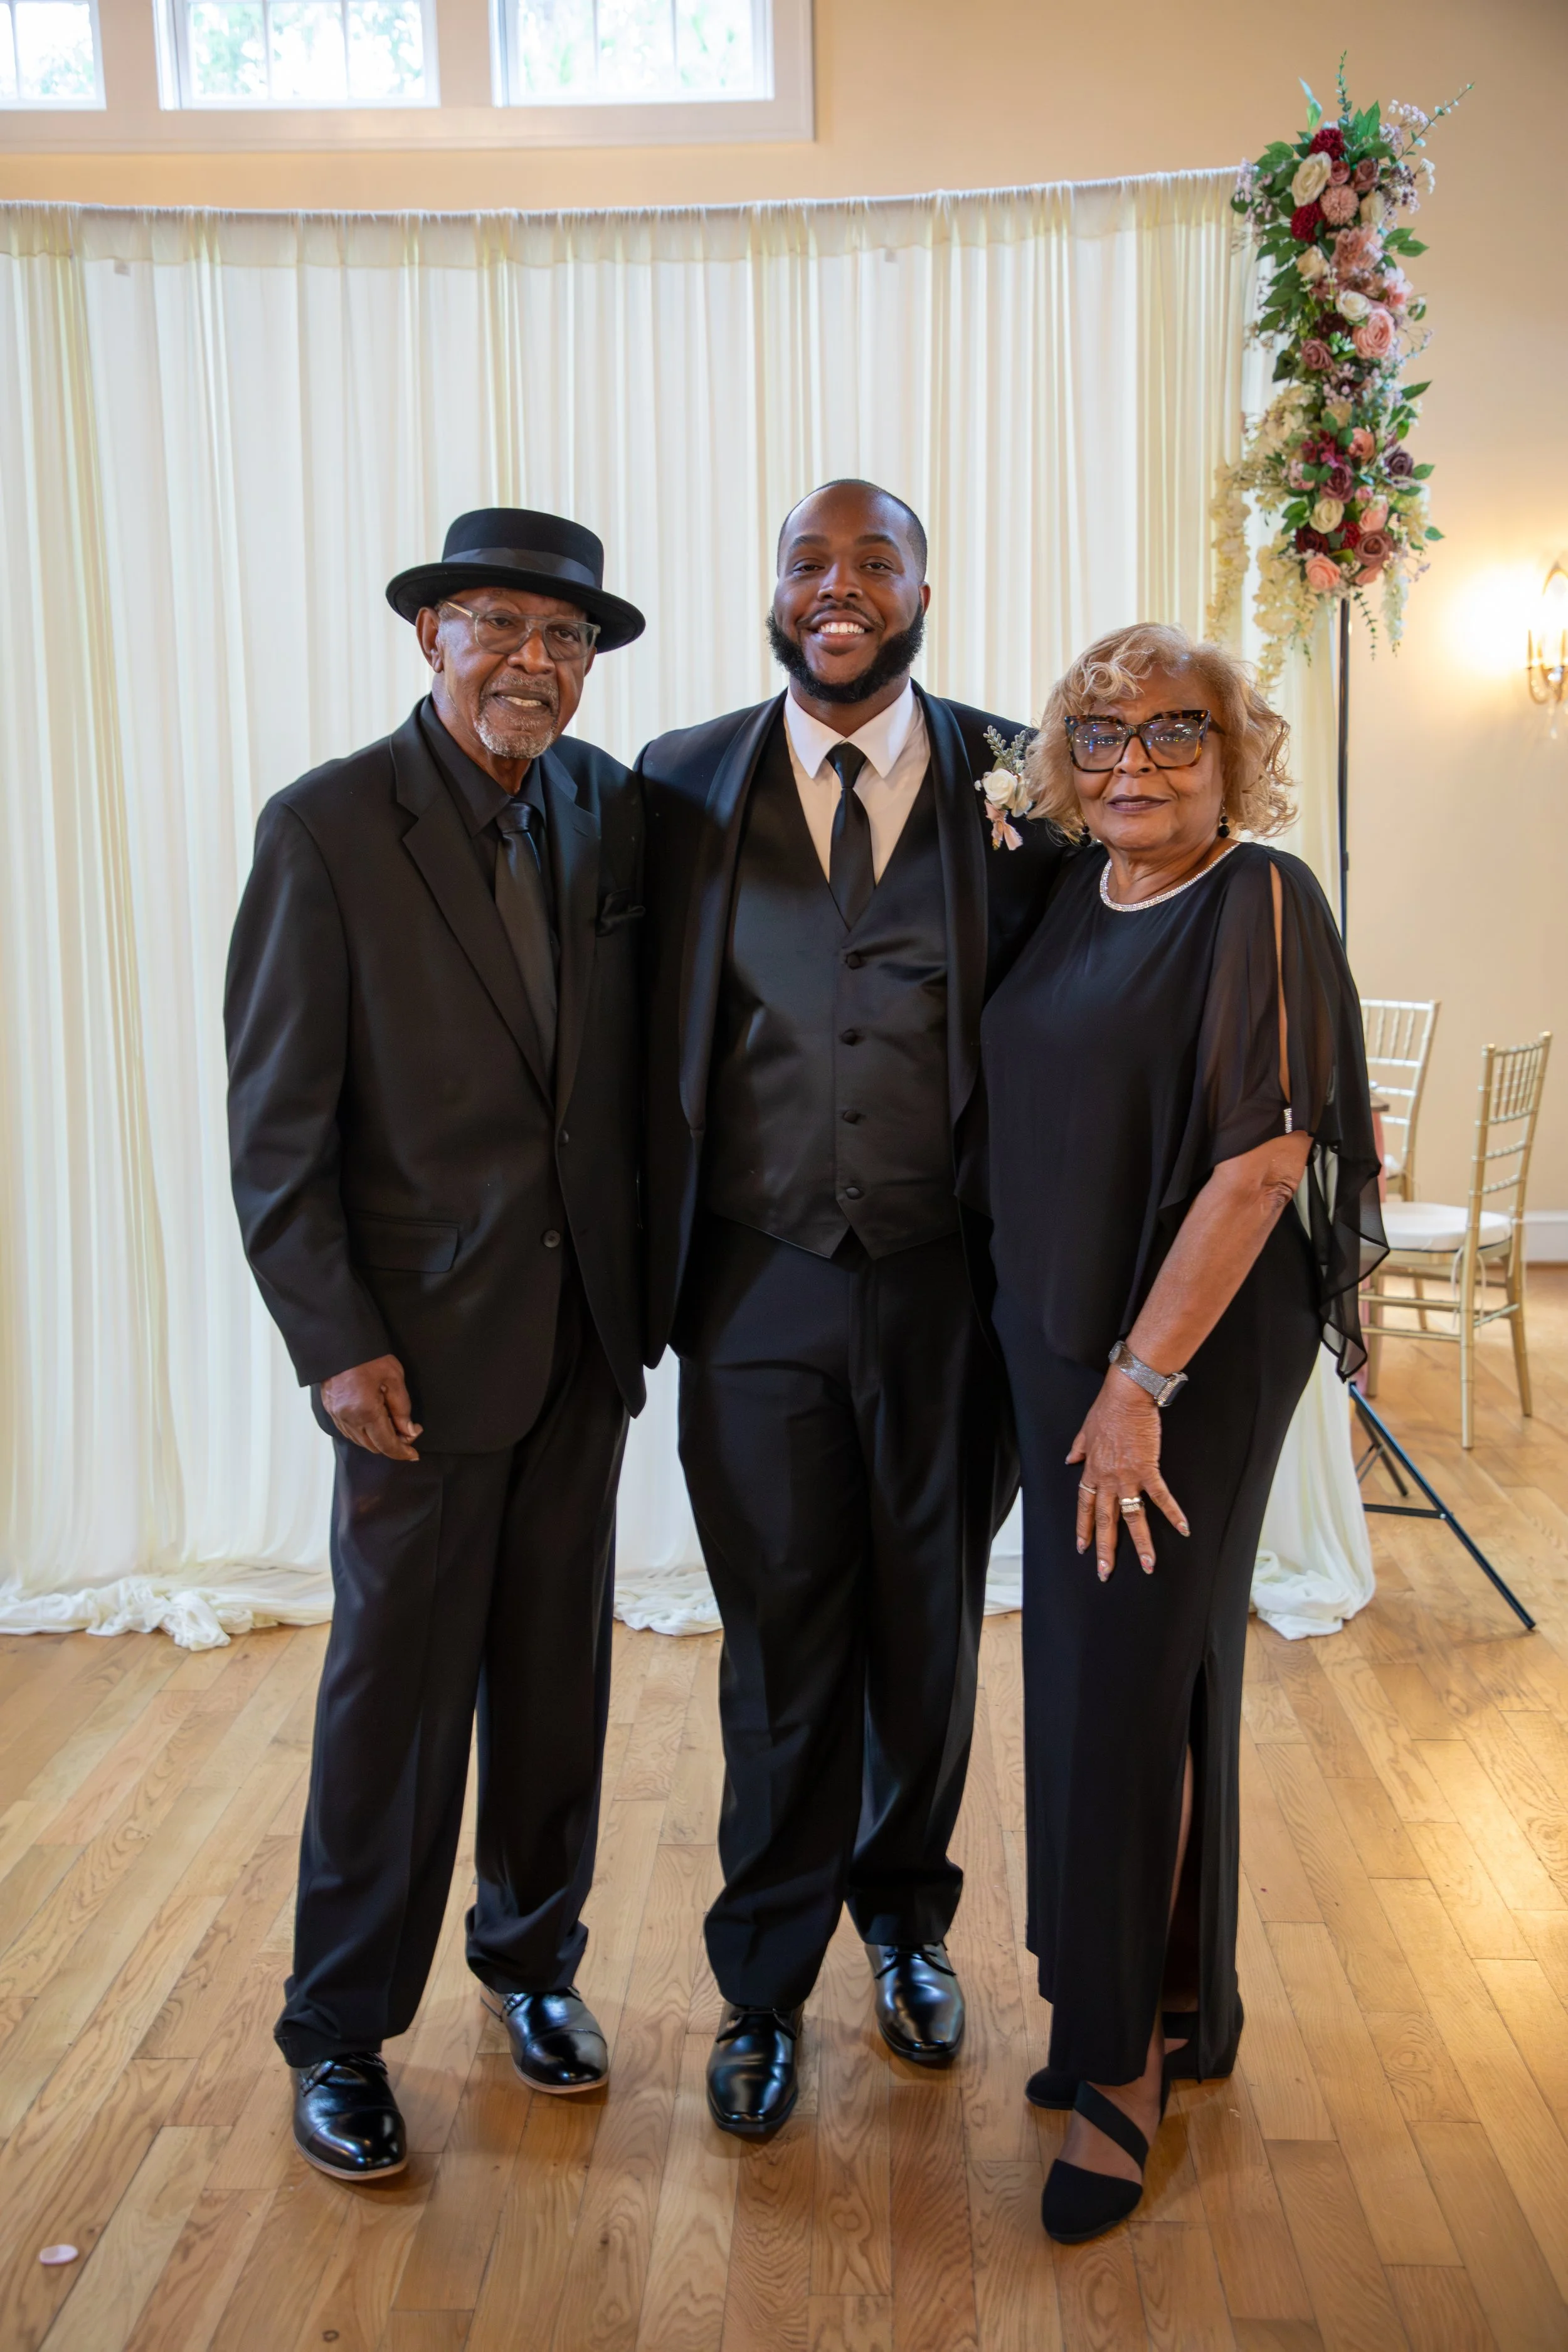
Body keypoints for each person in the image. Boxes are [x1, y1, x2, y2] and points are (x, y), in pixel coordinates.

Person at [225, 508, 647, 2181]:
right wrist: (335, 1343)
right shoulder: (326, 828)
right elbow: (275, 1126)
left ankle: (531, 1963)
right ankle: (337, 2029)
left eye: (566, 640)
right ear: (430, 637)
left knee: (557, 1683)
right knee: (392, 1702)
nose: (532, 664)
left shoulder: (609, 809)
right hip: (408, 1354)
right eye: (499, 627)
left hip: (580, 1342)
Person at [638, 479, 1062, 2137]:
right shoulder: (677, 783)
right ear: (770, 588)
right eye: (808, 561)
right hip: (750, 1285)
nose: (838, 587)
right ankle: (759, 1986)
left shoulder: (1024, 771)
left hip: (953, 1287)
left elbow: (1118, 974)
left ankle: (905, 1925)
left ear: (923, 585)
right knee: (780, 1641)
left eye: (871, 559)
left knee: (927, 1625)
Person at [978, 623, 1383, 2243]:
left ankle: (1118, 2066)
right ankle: (1165, 2003)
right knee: (1122, 1667)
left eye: (1170, 732)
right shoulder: (1073, 894)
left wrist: (1137, 1387)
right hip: (1057, 1330)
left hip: (1178, 1353)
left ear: (1233, 753)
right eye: (1098, 734)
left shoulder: (1258, 899)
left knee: (1123, 1681)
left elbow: (1264, 1161)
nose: (1132, 760)